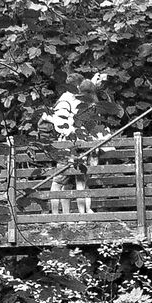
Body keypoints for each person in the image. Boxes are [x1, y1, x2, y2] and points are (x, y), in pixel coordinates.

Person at [42, 86, 90, 214]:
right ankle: (63, 215)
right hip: (72, 148)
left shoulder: (70, 102)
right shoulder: (70, 103)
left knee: (64, 183)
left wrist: (49, 118)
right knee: (63, 182)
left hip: (71, 148)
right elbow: (64, 126)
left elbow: (64, 126)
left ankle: (63, 215)